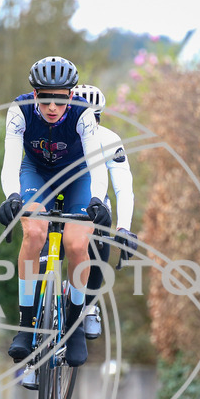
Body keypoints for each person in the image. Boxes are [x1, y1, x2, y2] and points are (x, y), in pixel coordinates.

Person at [0, 56, 111, 368]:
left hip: (79, 177)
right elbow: (10, 161)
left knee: (76, 244)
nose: (51, 107)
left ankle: (74, 327)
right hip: (37, 174)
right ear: (34, 94)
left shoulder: (82, 114)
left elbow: (96, 163)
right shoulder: (19, 111)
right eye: (44, 99)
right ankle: (26, 326)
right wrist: (12, 197)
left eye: (60, 100)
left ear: (71, 96)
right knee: (34, 232)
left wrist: (97, 200)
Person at [69, 84, 139, 339]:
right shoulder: (57, 135)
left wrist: (124, 228)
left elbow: (123, 187)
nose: (90, 124)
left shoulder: (109, 140)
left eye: (95, 117)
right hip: (58, 195)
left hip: (93, 199)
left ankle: (89, 305)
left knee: (101, 232)